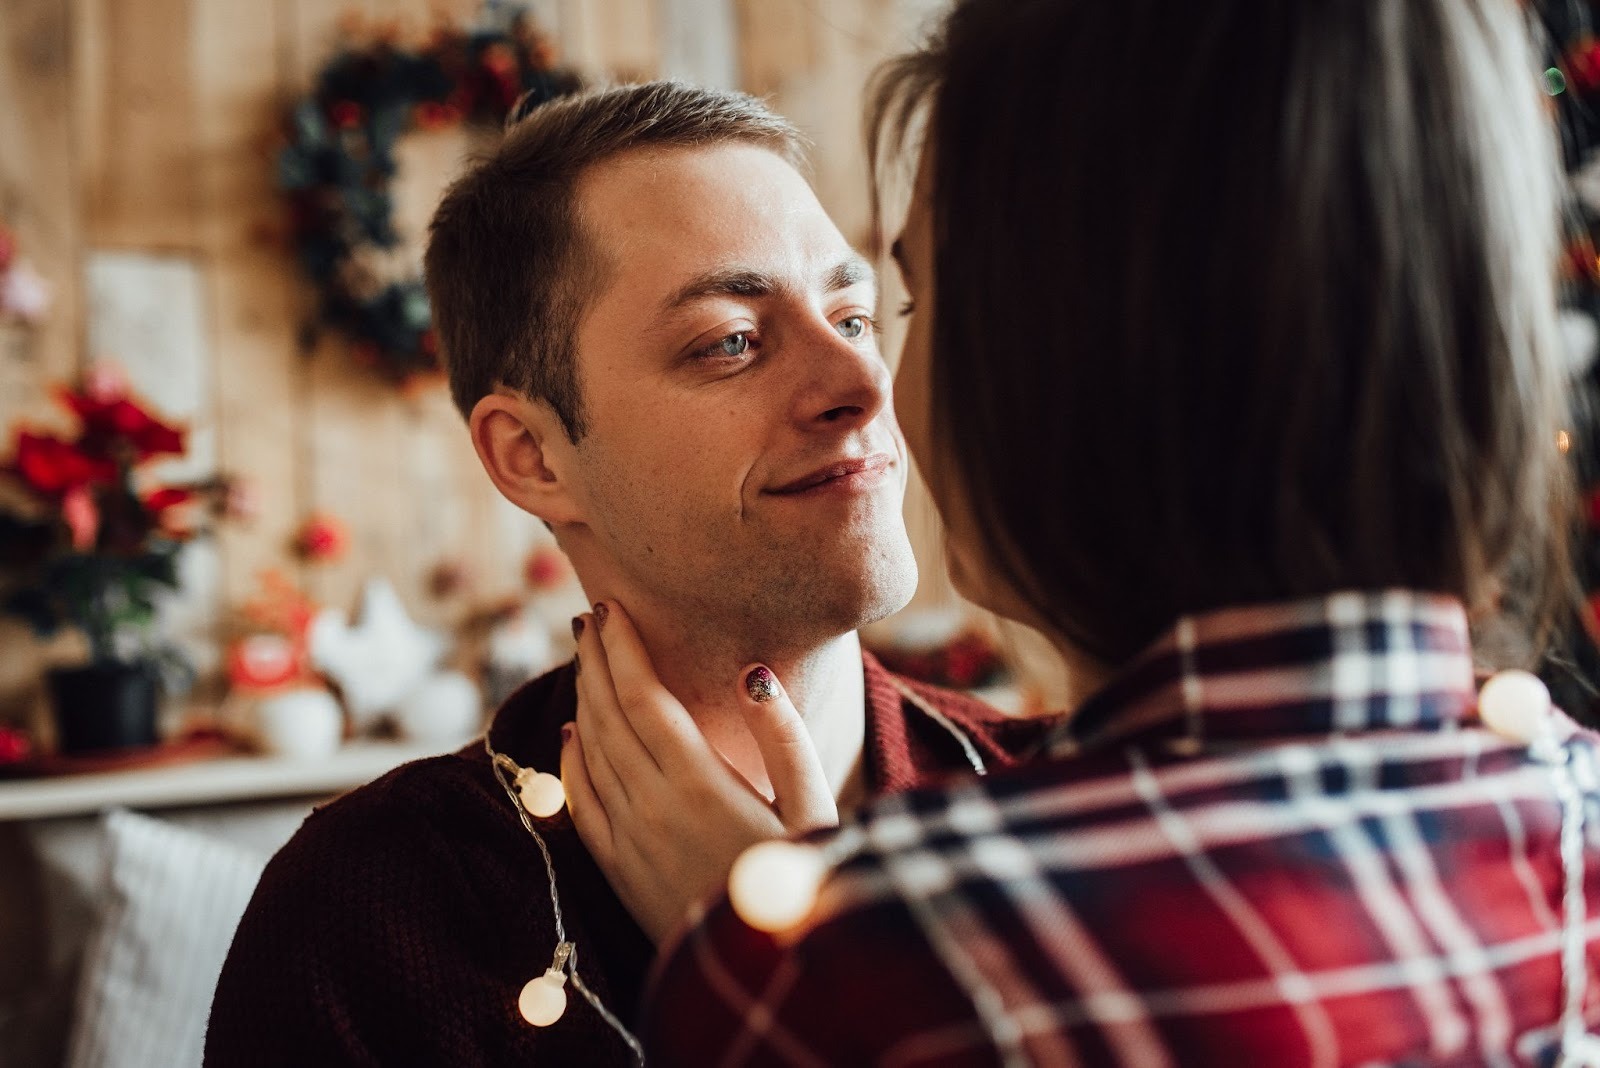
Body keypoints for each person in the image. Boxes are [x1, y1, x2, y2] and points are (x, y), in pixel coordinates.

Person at [562, 2, 1600, 1064]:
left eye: (888, 310)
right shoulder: (1575, 813)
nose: (865, 385)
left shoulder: (862, 971)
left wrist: (807, 947)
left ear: (1066, 352)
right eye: (731, 341)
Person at [204, 81, 1054, 1067]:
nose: (862, 386)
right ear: (532, 456)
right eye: (730, 341)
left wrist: (781, 953)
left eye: (855, 317)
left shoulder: (1068, 800)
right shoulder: (368, 912)